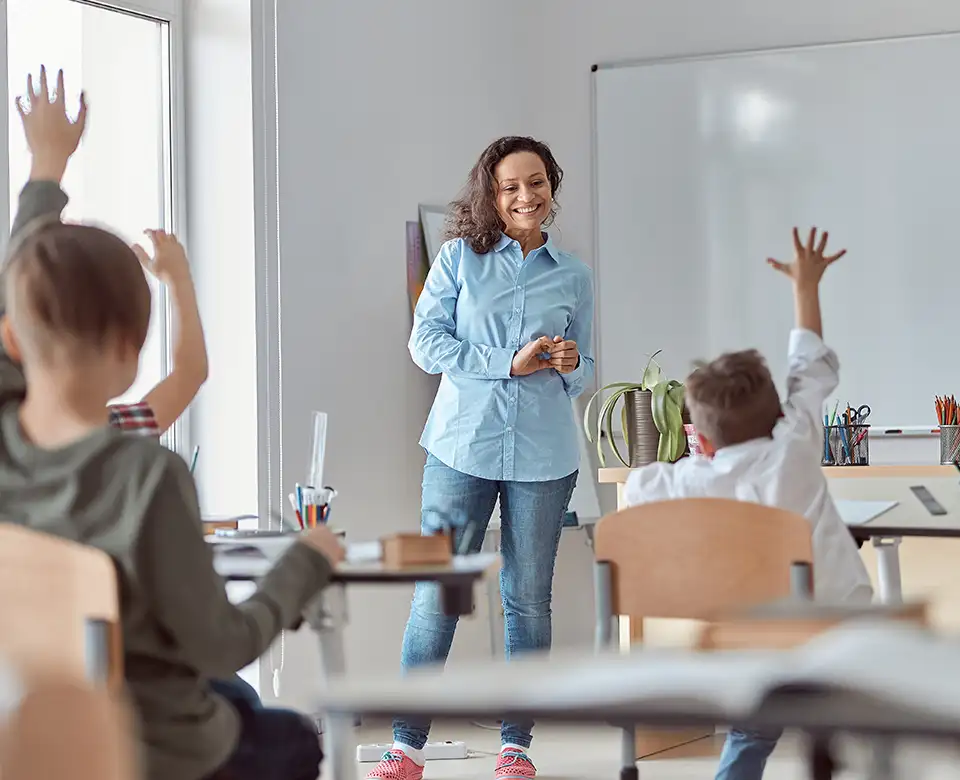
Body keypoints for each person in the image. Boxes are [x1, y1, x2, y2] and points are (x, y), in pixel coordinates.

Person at [0, 66, 343, 780]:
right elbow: (220, 643)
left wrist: (46, 168)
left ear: (10, 340)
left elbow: (26, 290)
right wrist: (306, 563)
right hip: (147, 745)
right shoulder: (142, 470)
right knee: (288, 736)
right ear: (130, 357)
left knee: (236, 702)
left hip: (31, 729)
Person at [367, 136, 594, 780]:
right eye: (510, 187)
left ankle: (515, 749)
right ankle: (405, 748)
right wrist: (504, 363)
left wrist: (574, 364)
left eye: (536, 183)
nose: (525, 196)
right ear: (492, 195)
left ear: (552, 186)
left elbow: (586, 366)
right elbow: (425, 343)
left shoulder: (573, 274)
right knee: (439, 590)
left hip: (545, 455)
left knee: (528, 599)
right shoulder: (459, 258)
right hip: (461, 446)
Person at [624, 226, 873, 780]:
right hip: (835, 633)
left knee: (755, 719)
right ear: (780, 417)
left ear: (702, 439)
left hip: (751, 645)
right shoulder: (796, 449)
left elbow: (640, 487)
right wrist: (805, 287)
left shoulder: (685, 481)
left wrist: (696, 465)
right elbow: (810, 372)